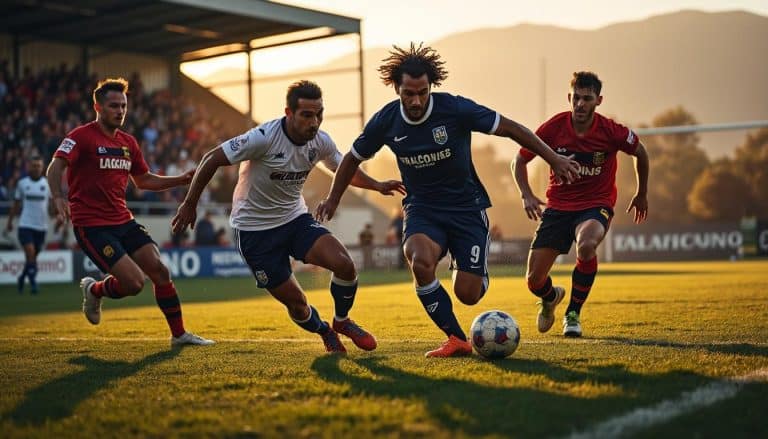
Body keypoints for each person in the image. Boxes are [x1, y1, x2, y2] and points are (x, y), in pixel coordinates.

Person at [315, 43, 580, 357]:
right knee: (419, 259)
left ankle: (469, 268)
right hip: (422, 208)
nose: (415, 100)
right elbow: (351, 159)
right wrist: (333, 198)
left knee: (467, 294)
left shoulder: (454, 109)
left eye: (422, 92)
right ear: (396, 88)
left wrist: (552, 159)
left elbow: (511, 128)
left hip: (467, 208)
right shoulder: (385, 121)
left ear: (431, 86)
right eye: (408, 93)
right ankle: (457, 338)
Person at [171, 80, 405, 354]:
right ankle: (324, 331)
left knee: (345, 265)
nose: (315, 122)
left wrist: (376, 185)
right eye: (307, 115)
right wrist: (189, 203)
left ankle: (341, 321)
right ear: (289, 113)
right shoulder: (263, 138)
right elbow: (211, 158)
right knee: (297, 304)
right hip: (254, 231)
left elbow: (344, 169)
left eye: (319, 114)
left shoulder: (321, 141)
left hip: (294, 219)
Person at [46, 77, 214, 347]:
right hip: (92, 226)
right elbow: (55, 168)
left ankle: (179, 335)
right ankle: (95, 289)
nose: (120, 111)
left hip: (123, 219)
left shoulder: (128, 143)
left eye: (123, 106)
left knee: (159, 270)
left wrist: (180, 179)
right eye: (114, 106)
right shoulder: (80, 137)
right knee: (134, 284)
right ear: (98, 107)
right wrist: (57, 196)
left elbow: (144, 180)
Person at [512, 71, 649, 337]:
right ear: (569, 98)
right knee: (533, 280)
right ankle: (551, 297)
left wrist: (642, 193)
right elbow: (519, 160)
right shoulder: (554, 127)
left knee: (586, 246)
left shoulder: (611, 131)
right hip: (557, 207)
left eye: (587, 99)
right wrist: (526, 194)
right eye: (576, 98)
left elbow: (641, 152)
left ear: (598, 100)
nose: (580, 104)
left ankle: (573, 314)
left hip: (595, 204)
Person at [5, 156, 51, 294]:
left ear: (42, 168)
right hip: (25, 225)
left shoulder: (47, 184)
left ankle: (22, 278)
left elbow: (53, 206)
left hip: (41, 227)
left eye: (38, 166)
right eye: (33, 165)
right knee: (30, 253)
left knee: (31, 259)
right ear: (28, 167)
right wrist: (9, 222)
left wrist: (60, 216)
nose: (36, 168)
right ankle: (33, 284)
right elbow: (16, 204)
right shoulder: (22, 183)